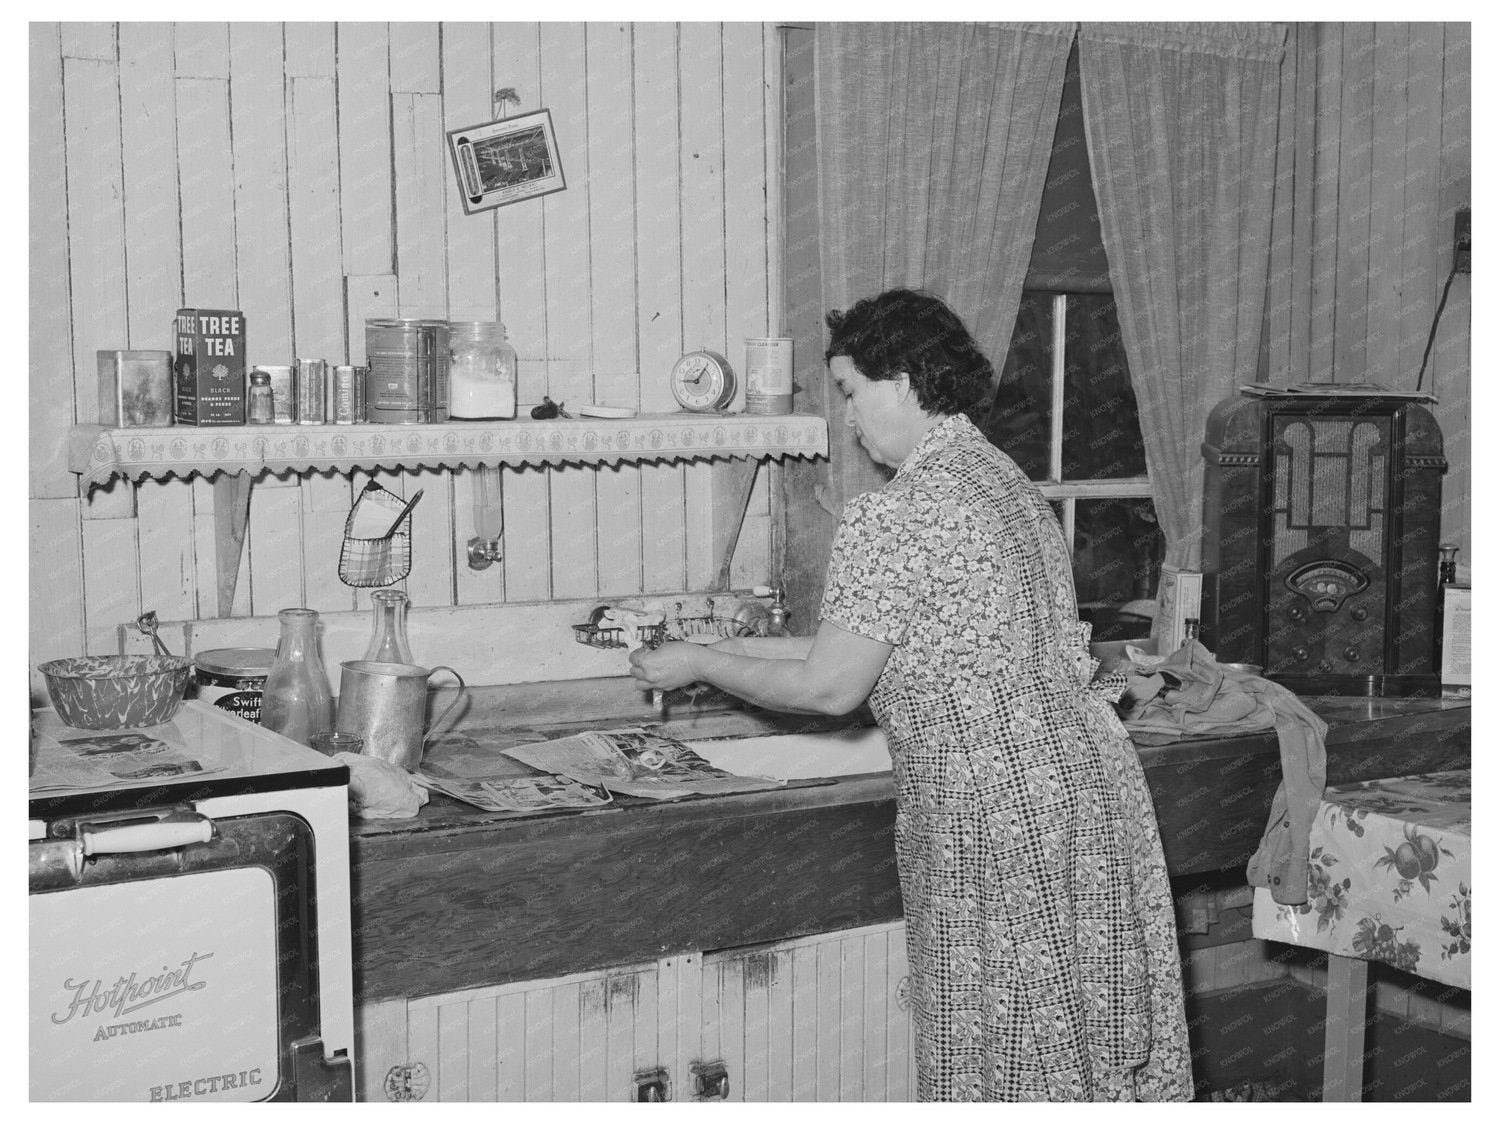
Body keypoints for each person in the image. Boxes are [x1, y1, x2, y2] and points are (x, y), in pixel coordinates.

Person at [630, 288, 1192, 1102]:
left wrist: (707, 666)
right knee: (1082, 1045)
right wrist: (709, 652)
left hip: (991, 816)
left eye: (852, 392)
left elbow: (831, 686)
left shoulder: (897, 513)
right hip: (1080, 792)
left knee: (1003, 1055)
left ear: (900, 381)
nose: (849, 418)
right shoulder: (1001, 482)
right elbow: (874, 644)